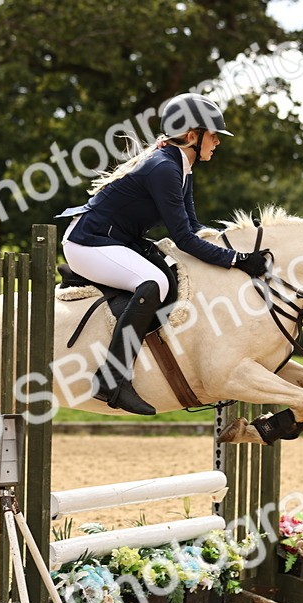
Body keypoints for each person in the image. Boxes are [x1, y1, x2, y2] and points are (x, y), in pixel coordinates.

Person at [57, 93, 269, 415]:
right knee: (154, 282)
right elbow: (183, 238)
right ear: (192, 135)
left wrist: (237, 248)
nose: (218, 142)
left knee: (166, 276)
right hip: (88, 242)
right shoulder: (164, 168)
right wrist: (237, 261)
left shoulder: (180, 167)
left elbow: (194, 227)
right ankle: (112, 378)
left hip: (115, 242)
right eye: (214, 135)